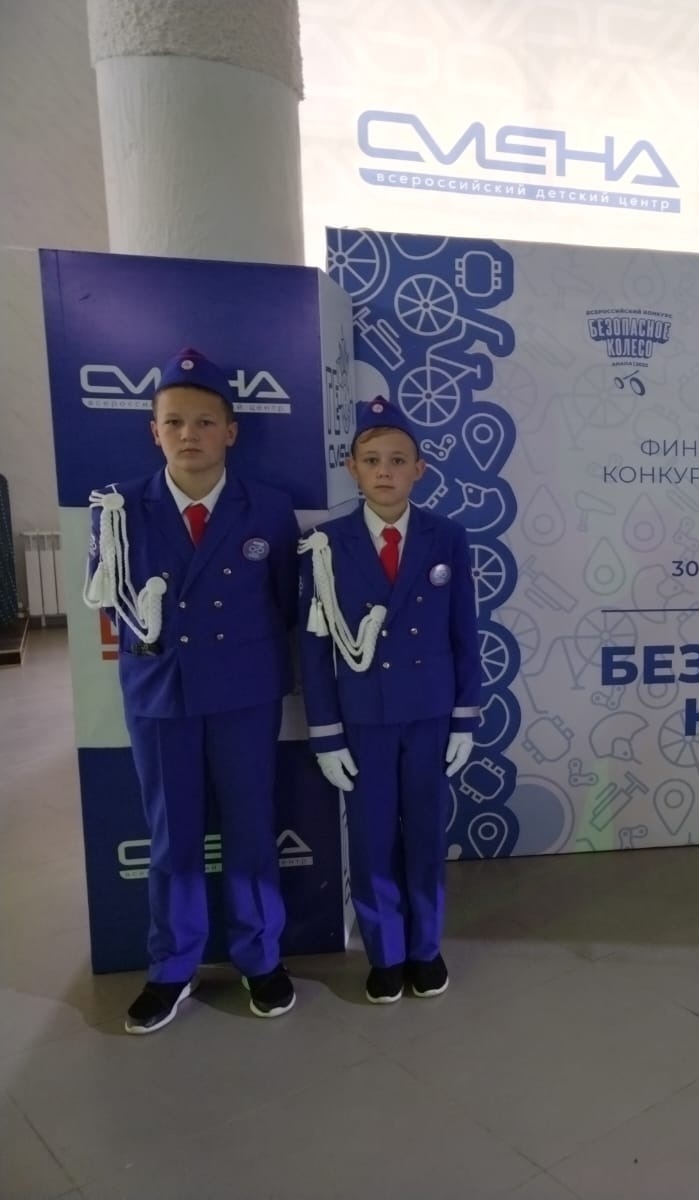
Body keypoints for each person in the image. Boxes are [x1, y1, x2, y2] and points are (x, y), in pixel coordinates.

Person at [83, 347, 299, 1033]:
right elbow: (111, 603)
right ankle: (172, 967)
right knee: (172, 836)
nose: (189, 434)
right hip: (162, 694)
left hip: (244, 693)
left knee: (251, 829)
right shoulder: (118, 509)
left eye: (205, 422)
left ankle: (260, 958)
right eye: (174, 422)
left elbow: (284, 606)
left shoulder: (268, 509)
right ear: (154, 431)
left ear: (230, 431)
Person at [298, 397, 479, 1003]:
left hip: (429, 714)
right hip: (364, 716)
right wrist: (325, 731)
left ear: (418, 470)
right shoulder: (324, 545)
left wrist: (464, 718)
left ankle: (425, 948)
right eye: (371, 459)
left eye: (398, 460)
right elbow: (314, 647)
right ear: (351, 467)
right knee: (372, 837)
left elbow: (463, 632)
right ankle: (385, 953)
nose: (384, 471)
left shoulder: (446, 538)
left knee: (425, 836)